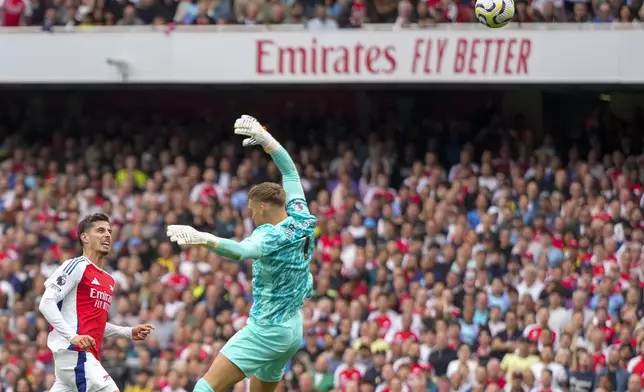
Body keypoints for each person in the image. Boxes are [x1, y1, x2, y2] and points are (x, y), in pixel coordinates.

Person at [167, 115, 317, 392]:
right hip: (293, 329)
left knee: (205, 386)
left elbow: (240, 251)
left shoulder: (269, 235)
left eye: (251, 209)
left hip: (267, 329)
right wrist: (268, 142)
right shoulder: (301, 216)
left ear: (262, 208)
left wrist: (204, 238)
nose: (250, 214)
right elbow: (291, 174)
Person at [39, 213, 154, 392]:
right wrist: (73, 337)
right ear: (84, 238)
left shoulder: (108, 280)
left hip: (78, 358)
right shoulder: (76, 266)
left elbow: (95, 323)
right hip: (75, 353)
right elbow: (46, 302)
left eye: (109, 231)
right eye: (100, 231)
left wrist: (128, 332)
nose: (107, 235)